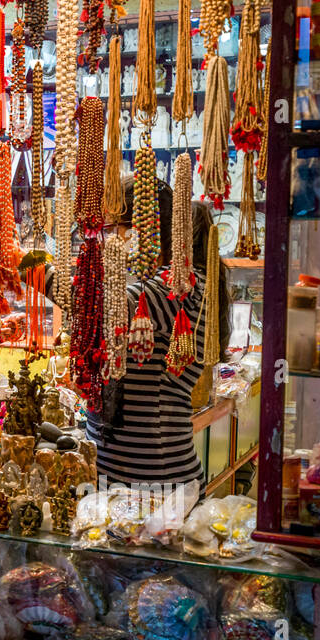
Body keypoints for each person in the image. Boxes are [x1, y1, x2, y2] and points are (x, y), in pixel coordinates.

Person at [78, 175, 231, 489]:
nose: (110, 239)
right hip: (115, 476)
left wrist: (29, 265)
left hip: (157, 482)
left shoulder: (180, 285)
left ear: (144, 231)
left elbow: (104, 305)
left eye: (115, 229)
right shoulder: (153, 282)